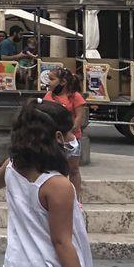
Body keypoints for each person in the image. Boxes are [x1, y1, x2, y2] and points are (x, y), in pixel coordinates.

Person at [0, 100, 98, 267]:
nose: (72, 138)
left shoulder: (12, 165)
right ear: (57, 137)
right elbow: (61, 242)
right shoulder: (57, 186)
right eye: (69, 133)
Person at [44, 68, 87, 196]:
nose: (49, 82)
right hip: (52, 139)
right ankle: (56, 195)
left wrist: (70, 131)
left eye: (52, 79)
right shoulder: (48, 96)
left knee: (73, 169)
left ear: (62, 82)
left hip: (70, 138)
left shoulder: (75, 96)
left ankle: (76, 198)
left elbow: (79, 117)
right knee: (54, 169)